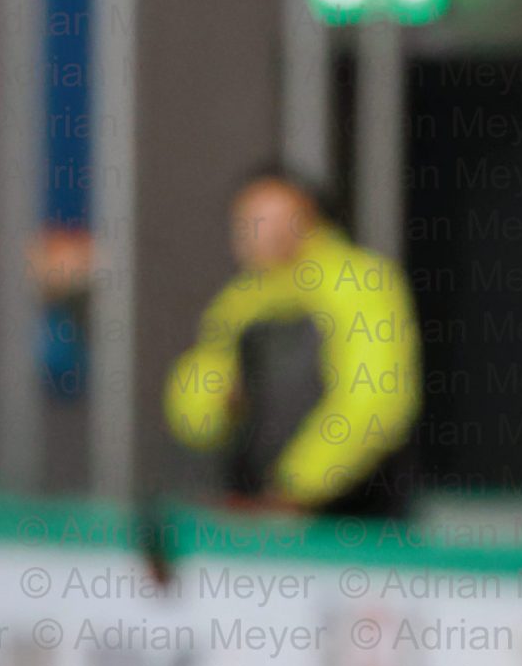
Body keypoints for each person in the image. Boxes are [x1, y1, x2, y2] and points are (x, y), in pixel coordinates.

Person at [163, 167, 421, 522]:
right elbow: (196, 414)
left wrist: (294, 491)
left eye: (275, 218)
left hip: (352, 518)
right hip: (259, 516)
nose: (260, 232)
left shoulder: (358, 282)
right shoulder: (240, 301)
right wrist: (216, 399)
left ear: (310, 218)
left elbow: (373, 402)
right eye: (249, 220)